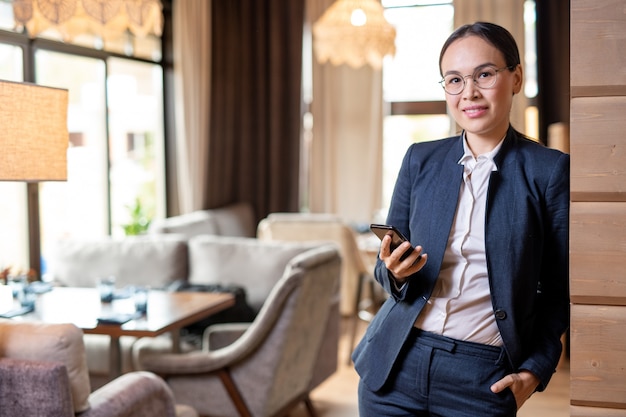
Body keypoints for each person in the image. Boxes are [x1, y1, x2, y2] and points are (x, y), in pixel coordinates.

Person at [352, 21, 569, 417]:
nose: (468, 92)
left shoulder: (549, 171)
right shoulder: (420, 159)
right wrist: (396, 272)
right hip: (395, 361)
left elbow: (559, 291)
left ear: (516, 77)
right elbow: (386, 272)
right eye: (454, 80)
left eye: (484, 74)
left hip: (481, 373)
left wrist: (534, 372)